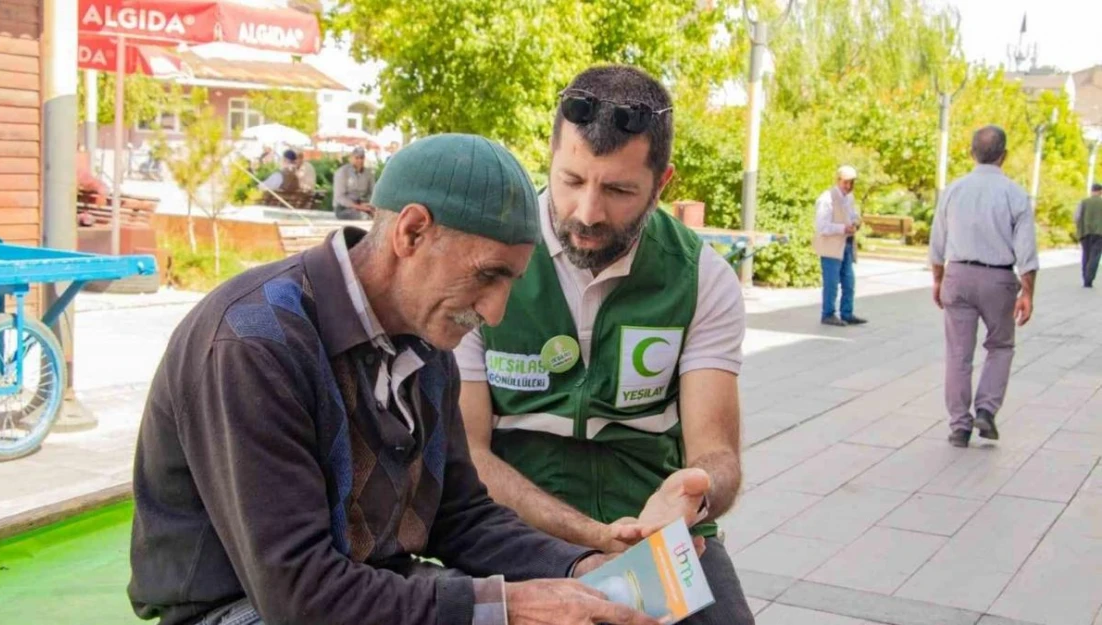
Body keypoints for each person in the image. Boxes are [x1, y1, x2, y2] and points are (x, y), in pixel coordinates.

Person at [129, 133, 659, 625]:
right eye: (487, 275)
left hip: (365, 588)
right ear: (411, 231)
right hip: (240, 610)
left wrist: (580, 568)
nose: (495, 312)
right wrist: (509, 606)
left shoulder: (429, 347)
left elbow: (461, 515)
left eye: (510, 284)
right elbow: (299, 596)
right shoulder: (253, 344)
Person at [454, 65, 755, 625]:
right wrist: (591, 541)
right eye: (570, 181)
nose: (587, 213)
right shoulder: (489, 258)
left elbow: (717, 455)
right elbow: (469, 456)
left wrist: (696, 491)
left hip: (659, 530)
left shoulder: (701, 277)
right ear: (548, 160)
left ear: (662, 184)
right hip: (515, 531)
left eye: (618, 190)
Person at [929, 125, 1038, 448]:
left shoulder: (953, 190)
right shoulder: (1015, 194)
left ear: (971, 152)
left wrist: (938, 278)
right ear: (1004, 156)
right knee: (1000, 346)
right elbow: (1027, 251)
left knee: (958, 354)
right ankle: (987, 410)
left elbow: (937, 241)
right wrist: (1028, 292)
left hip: (957, 275)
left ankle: (959, 426)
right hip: (998, 280)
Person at [813, 165, 867, 326]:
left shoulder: (849, 198)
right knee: (831, 283)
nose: (849, 186)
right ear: (838, 180)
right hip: (831, 246)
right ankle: (828, 314)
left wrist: (855, 223)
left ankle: (847, 312)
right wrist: (843, 228)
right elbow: (822, 227)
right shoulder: (826, 199)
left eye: (851, 183)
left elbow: (852, 215)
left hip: (846, 244)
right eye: (846, 182)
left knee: (849, 281)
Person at [334, 146, 376, 220]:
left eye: (361, 158)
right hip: (344, 208)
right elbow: (340, 197)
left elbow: (373, 192)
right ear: (351, 158)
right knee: (363, 217)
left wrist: (369, 204)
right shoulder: (342, 172)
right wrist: (358, 207)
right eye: (357, 158)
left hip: (363, 205)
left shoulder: (368, 173)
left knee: (377, 217)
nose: (359, 160)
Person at [1075, 182, 1102, 287]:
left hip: (1084, 232)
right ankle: (1089, 279)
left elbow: (1076, 217)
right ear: (1100, 191)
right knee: (1095, 256)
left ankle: (1085, 276)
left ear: (1092, 191)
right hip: (1099, 233)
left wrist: (1079, 227)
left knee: (1086, 254)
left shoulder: (1083, 202)